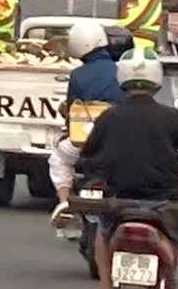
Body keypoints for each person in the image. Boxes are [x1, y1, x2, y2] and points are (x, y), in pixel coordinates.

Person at [76, 46, 178, 289]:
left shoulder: (109, 117)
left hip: (119, 203)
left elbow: (87, 158)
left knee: (102, 233)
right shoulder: (171, 118)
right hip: (165, 202)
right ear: (157, 79)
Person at [49, 20, 125, 226]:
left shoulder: (78, 75)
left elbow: (72, 109)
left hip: (88, 140)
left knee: (58, 157)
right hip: (122, 139)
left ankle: (65, 203)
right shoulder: (123, 70)